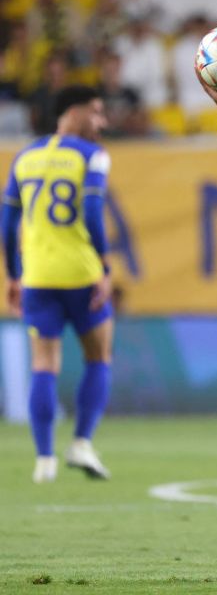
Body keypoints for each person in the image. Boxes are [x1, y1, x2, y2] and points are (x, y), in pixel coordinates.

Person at [1, 86, 115, 484]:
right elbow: (93, 210)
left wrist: (12, 274)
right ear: (75, 111)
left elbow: (8, 221)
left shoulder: (25, 156)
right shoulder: (92, 156)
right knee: (99, 356)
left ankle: (44, 460)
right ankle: (81, 442)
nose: (101, 122)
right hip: (82, 274)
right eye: (97, 112)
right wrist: (102, 265)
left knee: (43, 365)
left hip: (36, 277)